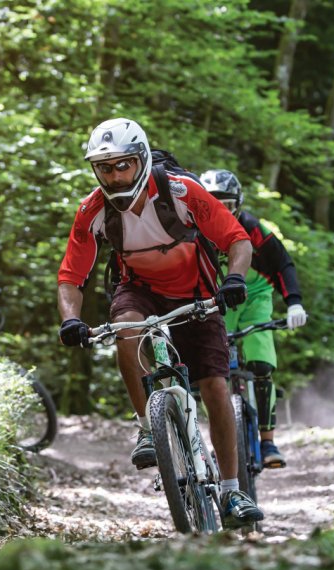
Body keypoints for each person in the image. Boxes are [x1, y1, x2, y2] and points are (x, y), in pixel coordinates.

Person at [57, 117, 263, 529]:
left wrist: (236, 278)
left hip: (197, 292)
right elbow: (70, 277)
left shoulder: (181, 192)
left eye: (124, 165)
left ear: (142, 159)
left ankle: (230, 490)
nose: (115, 176)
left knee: (215, 386)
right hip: (139, 288)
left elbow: (236, 239)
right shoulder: (92, 210)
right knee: (127, 330)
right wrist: (71, 319)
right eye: (105, 167)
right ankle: (147, 428)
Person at [199, 169, 307, 469]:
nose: (221, 211)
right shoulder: (193, 232)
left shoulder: (253, 228)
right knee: (208, 372)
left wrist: (294, 303)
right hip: (214, 301)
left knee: (261, 364)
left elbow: (283, 263)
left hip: (255, 297)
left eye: (227, 204)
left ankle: (268, 439)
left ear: (239, 204)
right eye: (212, 203)